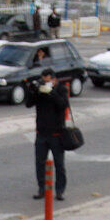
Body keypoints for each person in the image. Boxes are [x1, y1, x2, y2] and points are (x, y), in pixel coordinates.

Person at [25, 67, 70, 201]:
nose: (45, 83)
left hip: (56, 134)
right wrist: (33, 91)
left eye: (48, 81)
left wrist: (51, 92)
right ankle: (42, 188)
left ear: (54, 80)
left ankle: (60, 190)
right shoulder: (40, 90)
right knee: (40, 163)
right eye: (43, 81)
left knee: (59, 164)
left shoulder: (61, 89)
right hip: (41, 133)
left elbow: (63, 105)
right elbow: (28, 104)